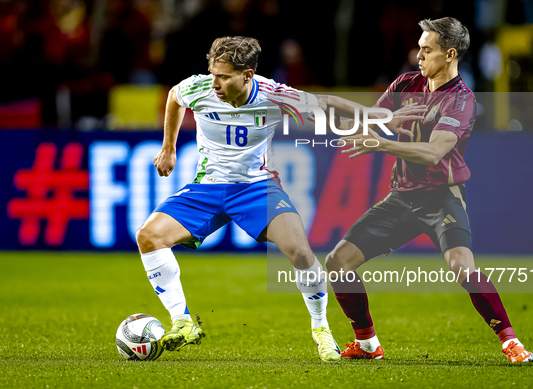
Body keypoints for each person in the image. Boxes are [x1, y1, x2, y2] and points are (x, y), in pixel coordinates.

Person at [135, 36, 366, 362]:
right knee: (149, 236)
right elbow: (174, 97)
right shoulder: (199, 88)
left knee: (301, 252)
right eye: (212, 73)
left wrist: (379, 117)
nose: (214, 83)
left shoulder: (273, 95)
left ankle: (321, 329)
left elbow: (327, 103)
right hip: (207, 188)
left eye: (223, 76)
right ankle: (183, 322)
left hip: (257, 188)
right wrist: (168, 148)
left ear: (247, 75)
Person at [326, 17, 533, 363]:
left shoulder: (461, 101)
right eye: (419, 48)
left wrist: (381, 145)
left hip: (442, 197)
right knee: (337, 262)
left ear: (450, 54)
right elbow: (370, 116)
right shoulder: (407, 83)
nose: (418, 55)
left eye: (427, 50)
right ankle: (367, 344)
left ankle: (510, 342)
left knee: (462, 267)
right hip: (401, 196)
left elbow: (433, 152)